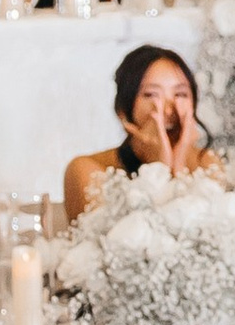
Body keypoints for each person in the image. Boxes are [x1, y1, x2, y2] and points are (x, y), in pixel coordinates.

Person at [63, 44, 218, 223]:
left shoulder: (206, 163)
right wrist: (159, 170)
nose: (168, 110)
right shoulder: (88, 169)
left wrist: (178, 166)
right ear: (123, 110)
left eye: (180, 94)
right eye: (152, 95)